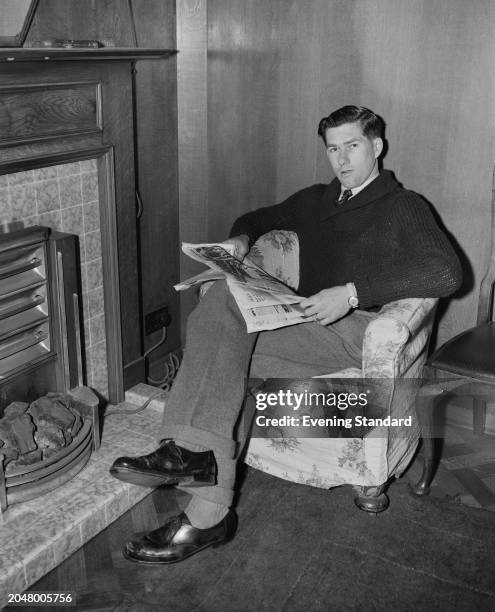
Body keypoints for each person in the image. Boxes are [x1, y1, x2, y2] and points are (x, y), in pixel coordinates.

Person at [110, 105, 462, 564]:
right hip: (306, 325)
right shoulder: (318, 199)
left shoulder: (404, 206)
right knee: (221, 317)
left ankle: (193, 462)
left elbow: (446, 272)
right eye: (333, 148)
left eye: (352, 146)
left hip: (354, 331)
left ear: (376, 147)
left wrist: (353, 294)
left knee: (218, 344)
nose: (342, 159)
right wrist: (238, 243)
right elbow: (256, 217)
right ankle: (206, 508)